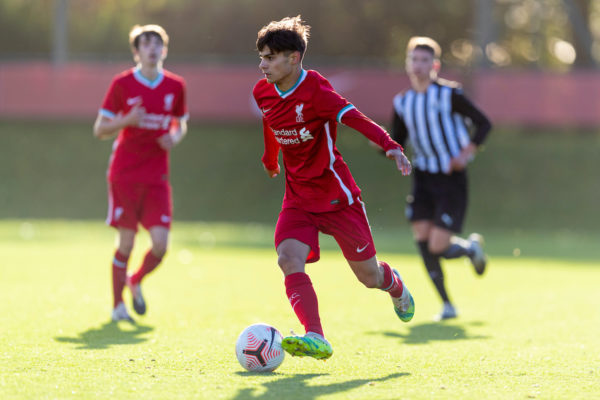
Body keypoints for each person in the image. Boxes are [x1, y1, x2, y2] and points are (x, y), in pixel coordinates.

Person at [253, 16, 415, 361]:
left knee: (369, 277)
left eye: (269, 57)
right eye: (261, 57)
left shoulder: (316, 93)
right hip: (297, 198)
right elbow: (270, 122)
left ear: (293, 58)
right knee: (288, 258)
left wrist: (391, 145)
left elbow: (355, 117)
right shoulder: (262, 91)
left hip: (337, 197)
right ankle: (316, 335)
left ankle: (395, 284)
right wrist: (271, 159)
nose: (262, 65)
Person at [390, 36, 491, 321]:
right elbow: (397, 140)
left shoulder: (450, 95)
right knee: (422, 238)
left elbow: (484, 123)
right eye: (414, 59)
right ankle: (447, 304)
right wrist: (385, 147)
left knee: (438, 245)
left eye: (424, 60)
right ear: (408, 64)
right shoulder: (402, 102)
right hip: (422, 178)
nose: (418, 65)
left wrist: (466, 153)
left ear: (434, 65)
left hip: (450, 179)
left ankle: (469, 248)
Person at [93, 24, 188, 322]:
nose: (152, 48)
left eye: (157, 43)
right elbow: (99, 129)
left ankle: (135, 280)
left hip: (157, 177)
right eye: (145, 44)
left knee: (161, 245)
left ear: (165, 50)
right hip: (125, 175)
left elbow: (180, 122)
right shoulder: (122, 84)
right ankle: (117, 306)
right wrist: (127, 119)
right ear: (136, 52)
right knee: (126, 243)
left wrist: (174, 136)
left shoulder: (176, 86)